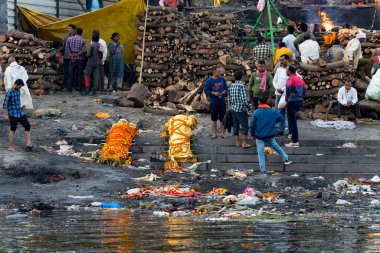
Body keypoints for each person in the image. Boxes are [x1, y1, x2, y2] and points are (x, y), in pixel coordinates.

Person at [250, 97, 293, 175]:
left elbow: (252, 125)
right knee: (277, 147)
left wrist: (252, 134)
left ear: (259, 102)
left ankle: (263, 171)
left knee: (260, 153)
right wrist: (272, 121)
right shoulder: (272, 111)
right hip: (270, 135)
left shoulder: (256, 112)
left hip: (259, 136)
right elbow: (281, 118)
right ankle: (286, 159)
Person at [3, 79, 33, 152]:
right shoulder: (9, 92)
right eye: (20, 86)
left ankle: (28, 143)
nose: (20, 87)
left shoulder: (18, 91)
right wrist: (6, 115)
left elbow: (19, 102)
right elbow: (5, 104)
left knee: (27, 125)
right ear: (16, 84)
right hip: (12, 113)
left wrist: (23, 110)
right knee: (13, 129)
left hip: (19, 112)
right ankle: (10, 146)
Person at [228, 70, 252, 148]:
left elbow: (229, 99)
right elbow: (244, 99)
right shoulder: (241, 86)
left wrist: (230, 107)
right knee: (245, 125)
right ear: (241, 77)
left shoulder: (231, 86)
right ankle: (244, 143)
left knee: (235, 125)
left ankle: (237, 142)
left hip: (233, 109)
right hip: (240, 109)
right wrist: (249, 107)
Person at [285, 65, 307, 148]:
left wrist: (287, 98)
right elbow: (305, 89)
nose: (285, 71)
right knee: (294, 120)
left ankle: (295, 141)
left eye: (286, 70)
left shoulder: (290, 79)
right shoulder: (299, 78)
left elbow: (288, 88)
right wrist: (300, 96)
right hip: (299, 101)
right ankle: (294, 139)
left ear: (290, 71)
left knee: (292, 121)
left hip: (292, 101)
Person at [204, 66, 228, 139]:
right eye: (218, 71)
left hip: (222, 102)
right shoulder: (209, 81)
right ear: (214, 72)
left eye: (220, 71)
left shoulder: (222, 79)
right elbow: (206, 90)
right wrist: (213, 93)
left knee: (223, 118)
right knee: (213, 119)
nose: (219, 73)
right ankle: (214, 133)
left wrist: (224, 91)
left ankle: (222, 133)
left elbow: (226, 88)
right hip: (214, 102)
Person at [273, 55, 290, 135]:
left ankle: (290, 129)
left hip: (287, 94)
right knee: (280, 112)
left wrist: (283, 90)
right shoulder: (279, 69)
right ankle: (281, 129)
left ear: (287, 60)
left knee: (289, 112)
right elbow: (274, 81)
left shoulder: (290, 69)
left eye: (282, 60)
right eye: (280, 60)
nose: (281, 62)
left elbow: (293, 81)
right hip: (278, 93)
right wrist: (277, 89)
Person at [66, 27, 86, 92]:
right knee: (79, 74)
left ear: (76, 32)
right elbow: (82, 51)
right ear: (81, 33)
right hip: (80, 59)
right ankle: (80, 88)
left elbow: (67, 49)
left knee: (71, 74)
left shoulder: (69, 39)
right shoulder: (83, 40)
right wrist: (76, 55)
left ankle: (69, 88)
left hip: (71, 59)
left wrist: (71, 56)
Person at [60, 24, 76, 89]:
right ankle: (66, 86)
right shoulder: (66, 37)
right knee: (66, 72)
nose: (68, 30)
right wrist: (58, 50)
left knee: (72, 72)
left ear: (74, 30)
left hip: (73, 58)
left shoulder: (76, 37)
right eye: (68, 28)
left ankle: (72, 86)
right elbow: (63, 47)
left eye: (70, 28)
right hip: (66, 57)